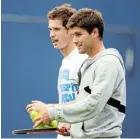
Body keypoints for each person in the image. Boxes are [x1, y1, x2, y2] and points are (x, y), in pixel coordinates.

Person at [27, 8, 126, 139]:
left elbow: (92, 105)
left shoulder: (106, 63)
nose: (74, 40)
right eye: (73, 35)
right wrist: (73, 128)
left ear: (95, 32)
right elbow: (82, 103)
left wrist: (52, 112)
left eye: (78, 35)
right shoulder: (88, 63)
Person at [27, 4, 87, 138]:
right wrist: (51, 115)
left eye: (56, 29)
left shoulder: (83, 61)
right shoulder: (65, 63)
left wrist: (49, 110)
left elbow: (88, 103)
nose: (51, 35)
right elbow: (70, 106)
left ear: (71, 31)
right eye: (50, 29)